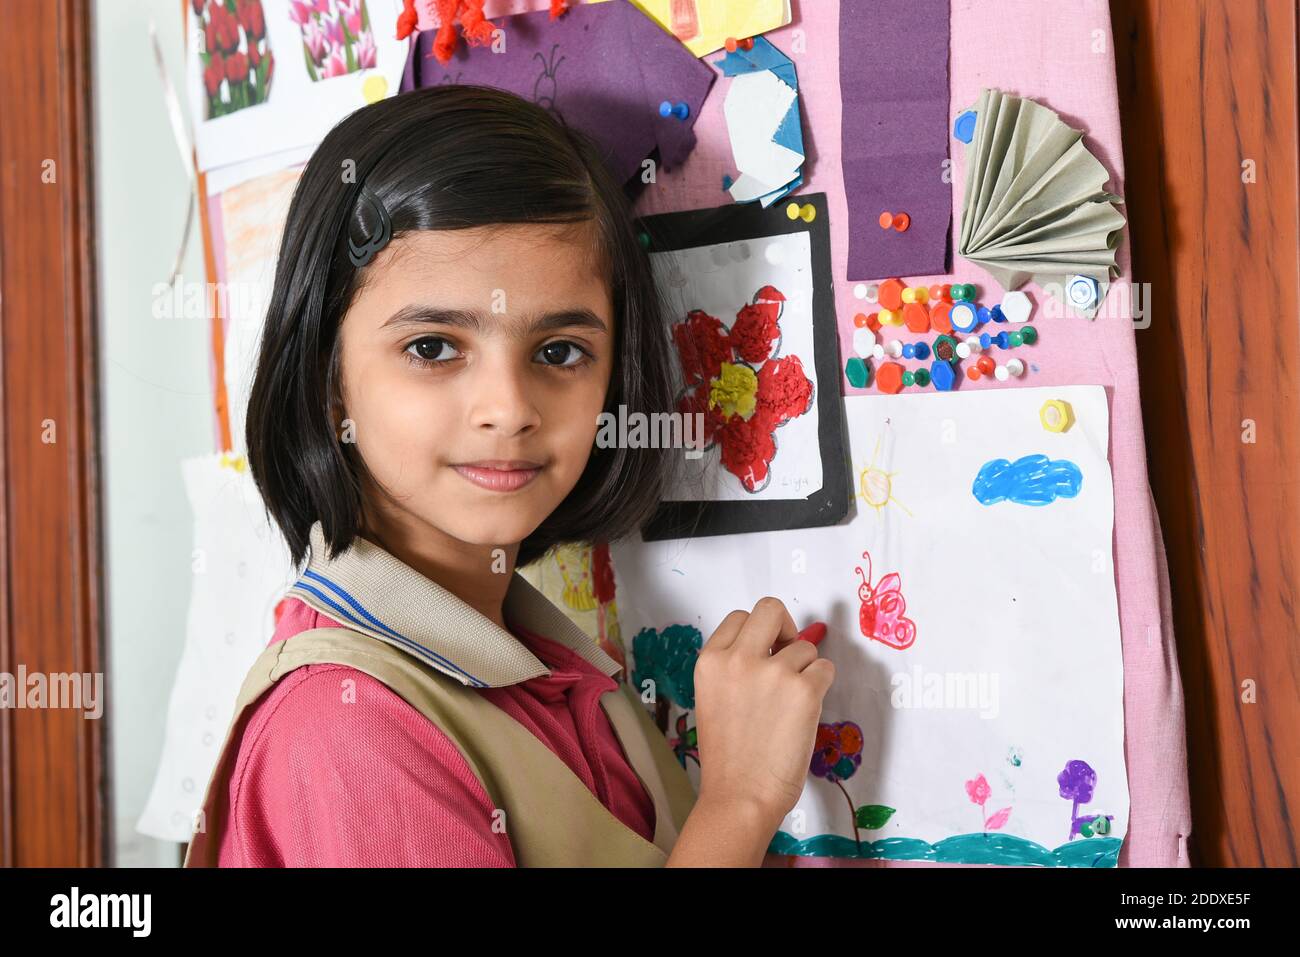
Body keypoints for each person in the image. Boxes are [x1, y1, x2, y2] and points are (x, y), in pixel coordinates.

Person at [186, 84, 834, 868]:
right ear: (328, 379)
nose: (508, 408)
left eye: (559, 351)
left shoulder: (547, 662)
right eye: (433, 347)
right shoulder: (348, 725)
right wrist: (740, 802)